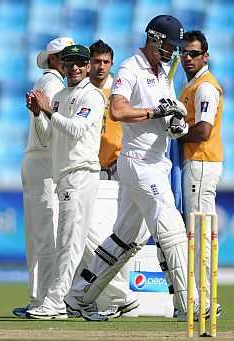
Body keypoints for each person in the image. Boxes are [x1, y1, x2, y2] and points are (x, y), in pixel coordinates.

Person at [64, 15, 194, 322]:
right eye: (170, 46)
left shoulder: (164, 72)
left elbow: (168, 115)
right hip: (138, 162)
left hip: (157, 162)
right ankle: (190, 305)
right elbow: (118, 109)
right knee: (171, 228)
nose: (174, 53)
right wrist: (154, 111)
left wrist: (176, 121)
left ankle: (78, 297)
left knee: (126, 240)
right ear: (155, 39)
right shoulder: (129, 68)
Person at [25, 44, 105, 319]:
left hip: (81, 173)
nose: (74, 68)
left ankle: (56, 301)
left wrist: (49, 111)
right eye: (70, 63)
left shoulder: (92, 96)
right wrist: (38, 113)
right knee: (80, 241)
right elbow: (48, 137)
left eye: (79, 64)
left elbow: (76, 129)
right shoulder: (58, 95)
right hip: (64, 176)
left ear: (87, 67)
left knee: (68, 242)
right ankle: (111, 295)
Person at [68, 39, 141, 319]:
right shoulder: (82, 92)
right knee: (89, 237)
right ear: (88, 65)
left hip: (114, 173)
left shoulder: (119, 93)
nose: (100, 67)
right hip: (89, 173)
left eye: (105, 62)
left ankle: (113, 296)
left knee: (109, 238)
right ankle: (106, 296)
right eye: (96, 62)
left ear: (111, 63)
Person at [13, 37, 74, 318]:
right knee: (47, 233)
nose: (70, 61)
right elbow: (47, 132)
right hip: (44, 160)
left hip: (37, 161)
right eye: (65, 56)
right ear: (53, 59)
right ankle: (45, 300)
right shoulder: (52, 84)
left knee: (39, 233)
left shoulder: (47, 82)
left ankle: (39, 297)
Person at [179, 30, 223, 317]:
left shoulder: (205, 87)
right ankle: (203, 299)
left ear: (205, 56)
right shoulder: (193, 84)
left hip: (202, 163)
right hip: (196, 163)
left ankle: (205, 301)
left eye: (194, 53)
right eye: (184, 52)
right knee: (196, 232)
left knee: (199, 233)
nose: (188, 57)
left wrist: (176, 132)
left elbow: (203, 131)